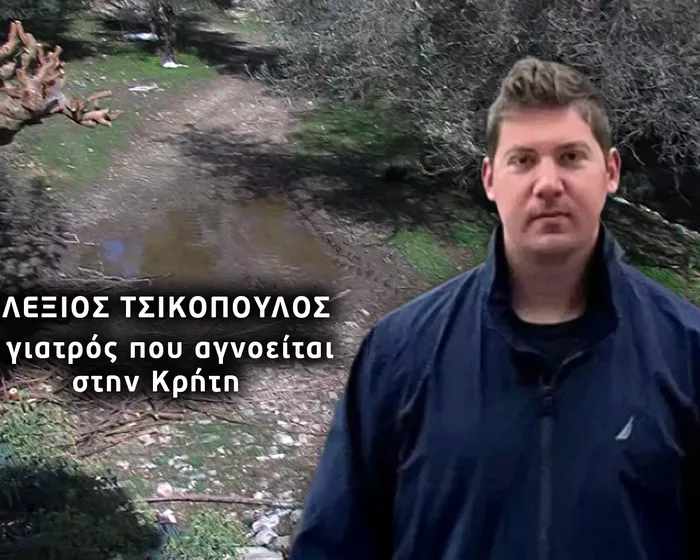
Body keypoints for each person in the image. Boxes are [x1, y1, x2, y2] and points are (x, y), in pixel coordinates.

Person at [289, 57, 700, 559]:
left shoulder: (686, 351)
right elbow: (333, 544)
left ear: (610, 171)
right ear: (489, 179)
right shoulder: (399, 353)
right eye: (523, 160)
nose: (548, 183)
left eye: (571, 157)